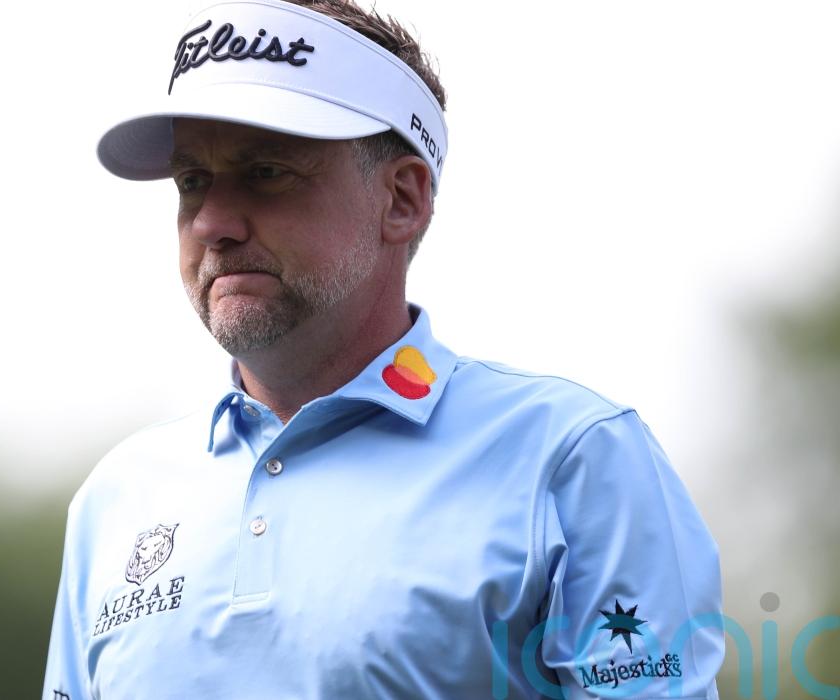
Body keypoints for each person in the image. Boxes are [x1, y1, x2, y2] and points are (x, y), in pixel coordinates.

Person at [44, 0, 725, 697]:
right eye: (192, 182)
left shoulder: (571, 456)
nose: (212, 222)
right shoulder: (116, 499)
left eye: (267, 172)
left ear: (402, 199)